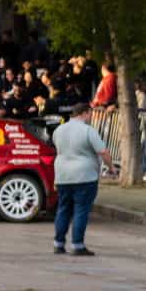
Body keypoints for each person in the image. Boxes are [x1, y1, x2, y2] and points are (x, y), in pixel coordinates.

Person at [51, 104, 112, 256]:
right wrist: (111, 167)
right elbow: (103, 151)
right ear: (85, 113)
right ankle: (77, 245)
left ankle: (58, 244)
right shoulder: (88, 130)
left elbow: (58, 148)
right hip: (84, 175)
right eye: (89, 114)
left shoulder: (59, 130)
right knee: (81, 210)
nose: (90, 117)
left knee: (63, 209)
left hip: (62, 175)